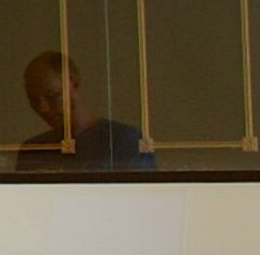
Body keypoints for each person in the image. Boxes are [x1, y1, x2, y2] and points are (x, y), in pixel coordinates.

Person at [18, 50, 157, 171]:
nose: (43, 109)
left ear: (74, 83)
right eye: (35, 101)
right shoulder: (34, 150)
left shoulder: (125, 141)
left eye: (52, 96)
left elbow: (138, 197)